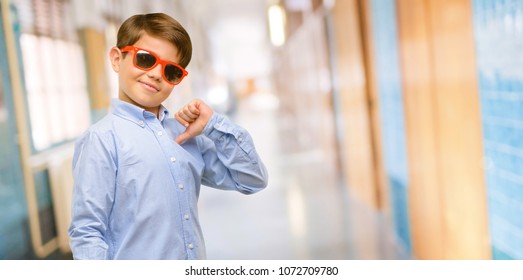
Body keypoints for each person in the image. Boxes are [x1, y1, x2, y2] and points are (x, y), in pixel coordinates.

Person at [68, 13, 268, 260]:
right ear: (117, 59)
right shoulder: (101, 140)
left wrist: (212, 125)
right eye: (145, 59)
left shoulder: (185, 135)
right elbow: (87, 232)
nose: (155, 74)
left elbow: (252, 179)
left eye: (171, 71)